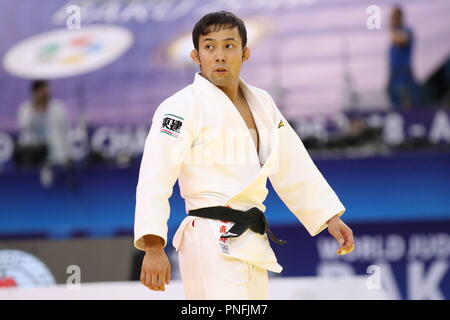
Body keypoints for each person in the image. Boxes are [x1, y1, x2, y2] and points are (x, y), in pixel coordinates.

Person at [134, 11, 354, 300]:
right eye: (209, 47)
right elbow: (155, 177)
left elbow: (292, 162)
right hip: (210, 237)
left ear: (245, 52)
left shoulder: (262, 102)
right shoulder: (179, 107)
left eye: (229, 45)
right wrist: (153, 245)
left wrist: (329, 217)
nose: (220, 56)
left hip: (252, 237)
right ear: (195, 55)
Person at [16, 80, 72, 186]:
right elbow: (25, 127)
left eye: (47, 92)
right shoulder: (25, 109)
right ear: (35, 92)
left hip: (58, 156)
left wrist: (68, 154)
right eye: (43, 92)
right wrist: (36, 109)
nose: (46, 95)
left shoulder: (58, 108)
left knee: (60, 190)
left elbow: (65, 132)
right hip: (34, 158)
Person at [387, 6, 421, 110]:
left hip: (404, 71)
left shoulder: (406, 30)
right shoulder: (395, 32)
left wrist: (392, 28)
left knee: (408, 99)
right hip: (394, 71)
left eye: (394, 17)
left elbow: (400, 40)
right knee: (393, 97)